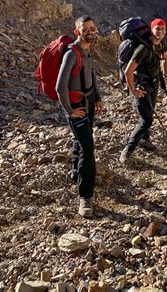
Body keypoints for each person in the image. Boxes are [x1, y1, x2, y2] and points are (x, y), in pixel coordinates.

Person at [56, 16, 103, 218]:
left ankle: (77, 174)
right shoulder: (71, 54)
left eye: (93, 28)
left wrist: (98, 97)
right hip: (78, 108)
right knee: (88, 149)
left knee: (80, 142)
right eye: (86, 29)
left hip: (89, 104)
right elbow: (60, 87)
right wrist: (70, 111)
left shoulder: (87, 49)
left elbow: (90, 75)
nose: (91, 31)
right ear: (77, 31)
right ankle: (85, 196)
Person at [119, 18, 167, 163]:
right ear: (151, 30)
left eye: (163, 29)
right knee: (146, 119)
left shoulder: (161, 44)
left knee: (149, 112)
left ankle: (145, 140)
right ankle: (128, 149)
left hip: (153, 84)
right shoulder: (143, 48)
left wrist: (165, 76)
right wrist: (133, 90)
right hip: (141, 86)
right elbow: (129, 72)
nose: (160, 32)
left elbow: (165, 58)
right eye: (157, 29)